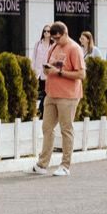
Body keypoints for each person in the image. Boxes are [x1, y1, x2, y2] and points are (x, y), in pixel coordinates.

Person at [33, 21, 86, 177]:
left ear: (65, 33)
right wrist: (47, 69)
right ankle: (42, 164)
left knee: (66, 129)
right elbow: (51, 66)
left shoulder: (74, 49)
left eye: (58, 38)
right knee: (47, 128)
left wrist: (59, 72)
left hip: (68, 96)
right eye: (53, 38)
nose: (55, 41)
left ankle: (65, 165)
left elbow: (81, 75)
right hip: (51, 93)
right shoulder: (54, 47)